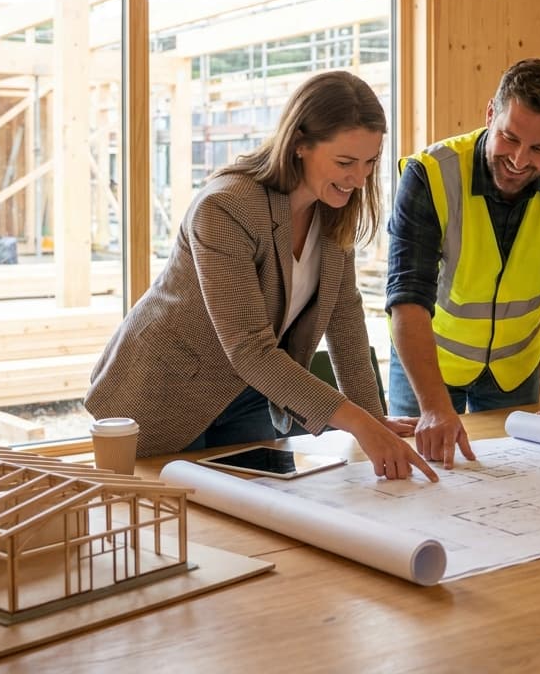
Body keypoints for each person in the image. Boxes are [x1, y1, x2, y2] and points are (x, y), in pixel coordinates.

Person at [87, 71, 436, 482]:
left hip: (249, 393)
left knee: (258, 507)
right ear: (299, 144)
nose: (359, 180)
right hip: (163, 390)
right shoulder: (225, 208)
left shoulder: (333, 209)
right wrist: (357, 422)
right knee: (180, 520)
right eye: (344, 162)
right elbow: (251, 348)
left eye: (370, 162)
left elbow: (345, 319)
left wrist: (373, 418)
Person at [386, 58, 540, 468]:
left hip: (515, 366)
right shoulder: (430, 173)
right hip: (429, 359)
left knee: (521, 479)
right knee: (424, 481)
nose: (520, 160)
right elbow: (407, 296)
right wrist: (434, 409)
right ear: (491, 113)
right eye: (509, 138)